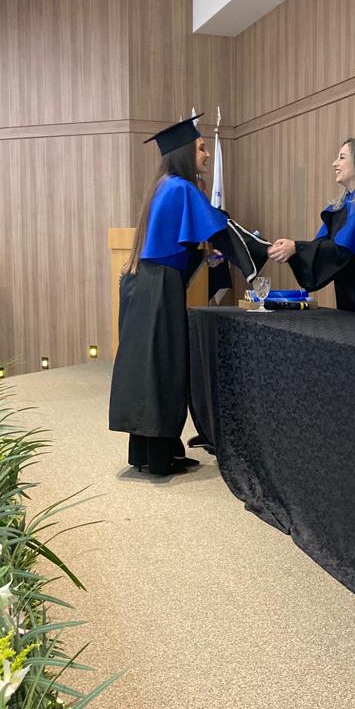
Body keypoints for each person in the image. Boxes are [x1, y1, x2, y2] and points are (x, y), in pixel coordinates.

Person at [109, 115, 269, 476]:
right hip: (159, 288)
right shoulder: (181, 188)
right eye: (200, 148)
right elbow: (222, 228)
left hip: (146, 284)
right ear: (184, 153)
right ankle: (161, 458)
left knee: (150, 367)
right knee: (164, 366)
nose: (207, 154)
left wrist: (203, 256)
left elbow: (177, 245)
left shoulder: (163, 185)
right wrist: (259, 253)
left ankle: (153, 452)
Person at [267, 138, 355, 316]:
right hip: (349, 304)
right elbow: (322, 247)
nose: (334, 163)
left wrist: (296, 248)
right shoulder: (342, 205)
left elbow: (342, 250)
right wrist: (293, 250)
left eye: (342, 157)